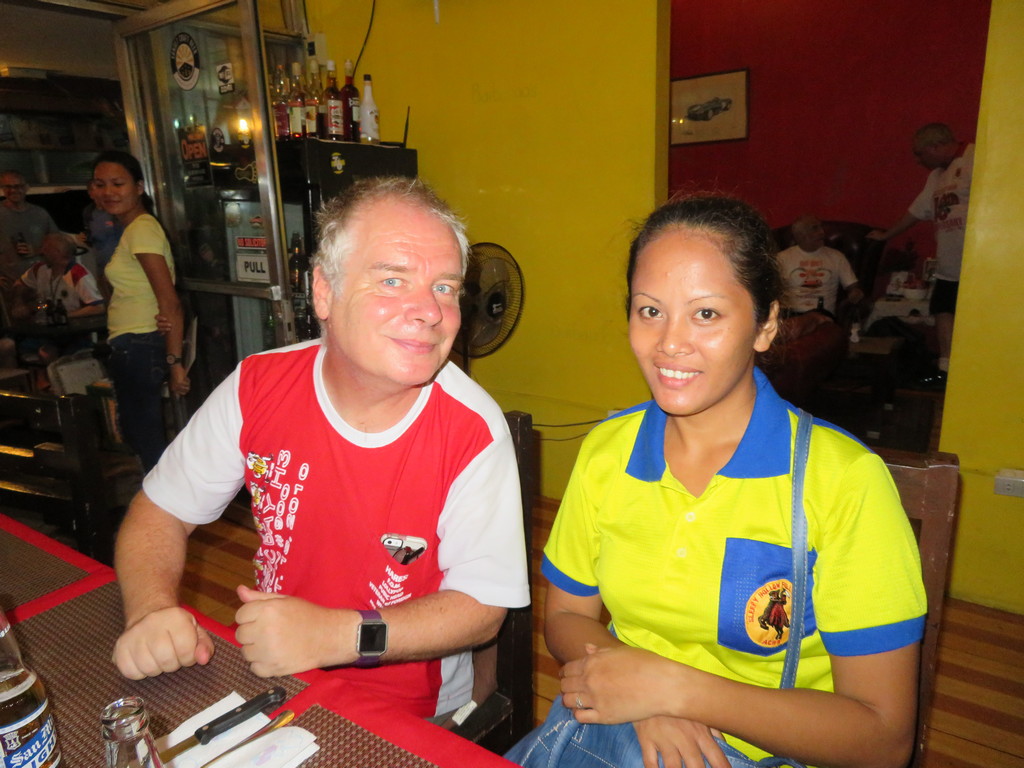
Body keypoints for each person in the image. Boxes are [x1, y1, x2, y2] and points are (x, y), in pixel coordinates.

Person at [506, 195, 925, 768]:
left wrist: (672, 690)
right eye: (649, 311)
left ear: (765, 325)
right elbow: (567, 617)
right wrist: (641, 697)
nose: (669, 343)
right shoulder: (608, 451)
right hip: (618, 731)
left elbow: (883, 739)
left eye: (705, 314)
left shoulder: (842, 482)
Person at [111, 176, 530, 721]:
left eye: (445, 287)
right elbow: (160, 511)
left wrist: (338, 636)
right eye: (392, 280)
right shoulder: (257, 386)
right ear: (325, 292)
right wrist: (150, 611)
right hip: (273, 671)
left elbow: (483, 608)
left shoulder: (473, 427)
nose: (430, 311)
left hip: (406, 705)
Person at [90, 150, 189, 471]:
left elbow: (169, 301)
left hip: (140, 344)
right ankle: (157, 491)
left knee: (144, 434)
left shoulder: (142, 230)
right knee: (139, 431)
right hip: (133, 342)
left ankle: (161, 497)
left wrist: (175, 363)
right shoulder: (129, 230)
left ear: (139, 187)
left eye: (118, 183)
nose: (108, 192)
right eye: (100, 184)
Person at [869, 123, 974, 389]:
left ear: (935, 146)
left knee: (973, 315)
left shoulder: (974, 158)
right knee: (942, 309)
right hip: (949, 262)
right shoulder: (936, 176)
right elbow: (916, 212)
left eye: (920, 153)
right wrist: (887, 234)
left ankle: (973, 371)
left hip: (976, 262)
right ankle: (946, 369)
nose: (918, 160)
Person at [8, 231, 105, 364]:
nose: (41, 251)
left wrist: (65, 316)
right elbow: (19, 284)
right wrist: (19, 303)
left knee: (48, 352)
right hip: (46, 331)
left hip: (73, 334)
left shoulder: (78, 274)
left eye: (46, 248)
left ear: (57, 252)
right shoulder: (40, 269)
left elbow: (97, 307)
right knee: (11, 347)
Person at [0, 170, 59, 284]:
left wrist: (36, 250)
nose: (13, 190)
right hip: (8, 282)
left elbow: (58, 244)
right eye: (8, 187)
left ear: (26, 187)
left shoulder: (40, 214)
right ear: (2, 188)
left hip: (40, 280)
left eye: (18, 186)